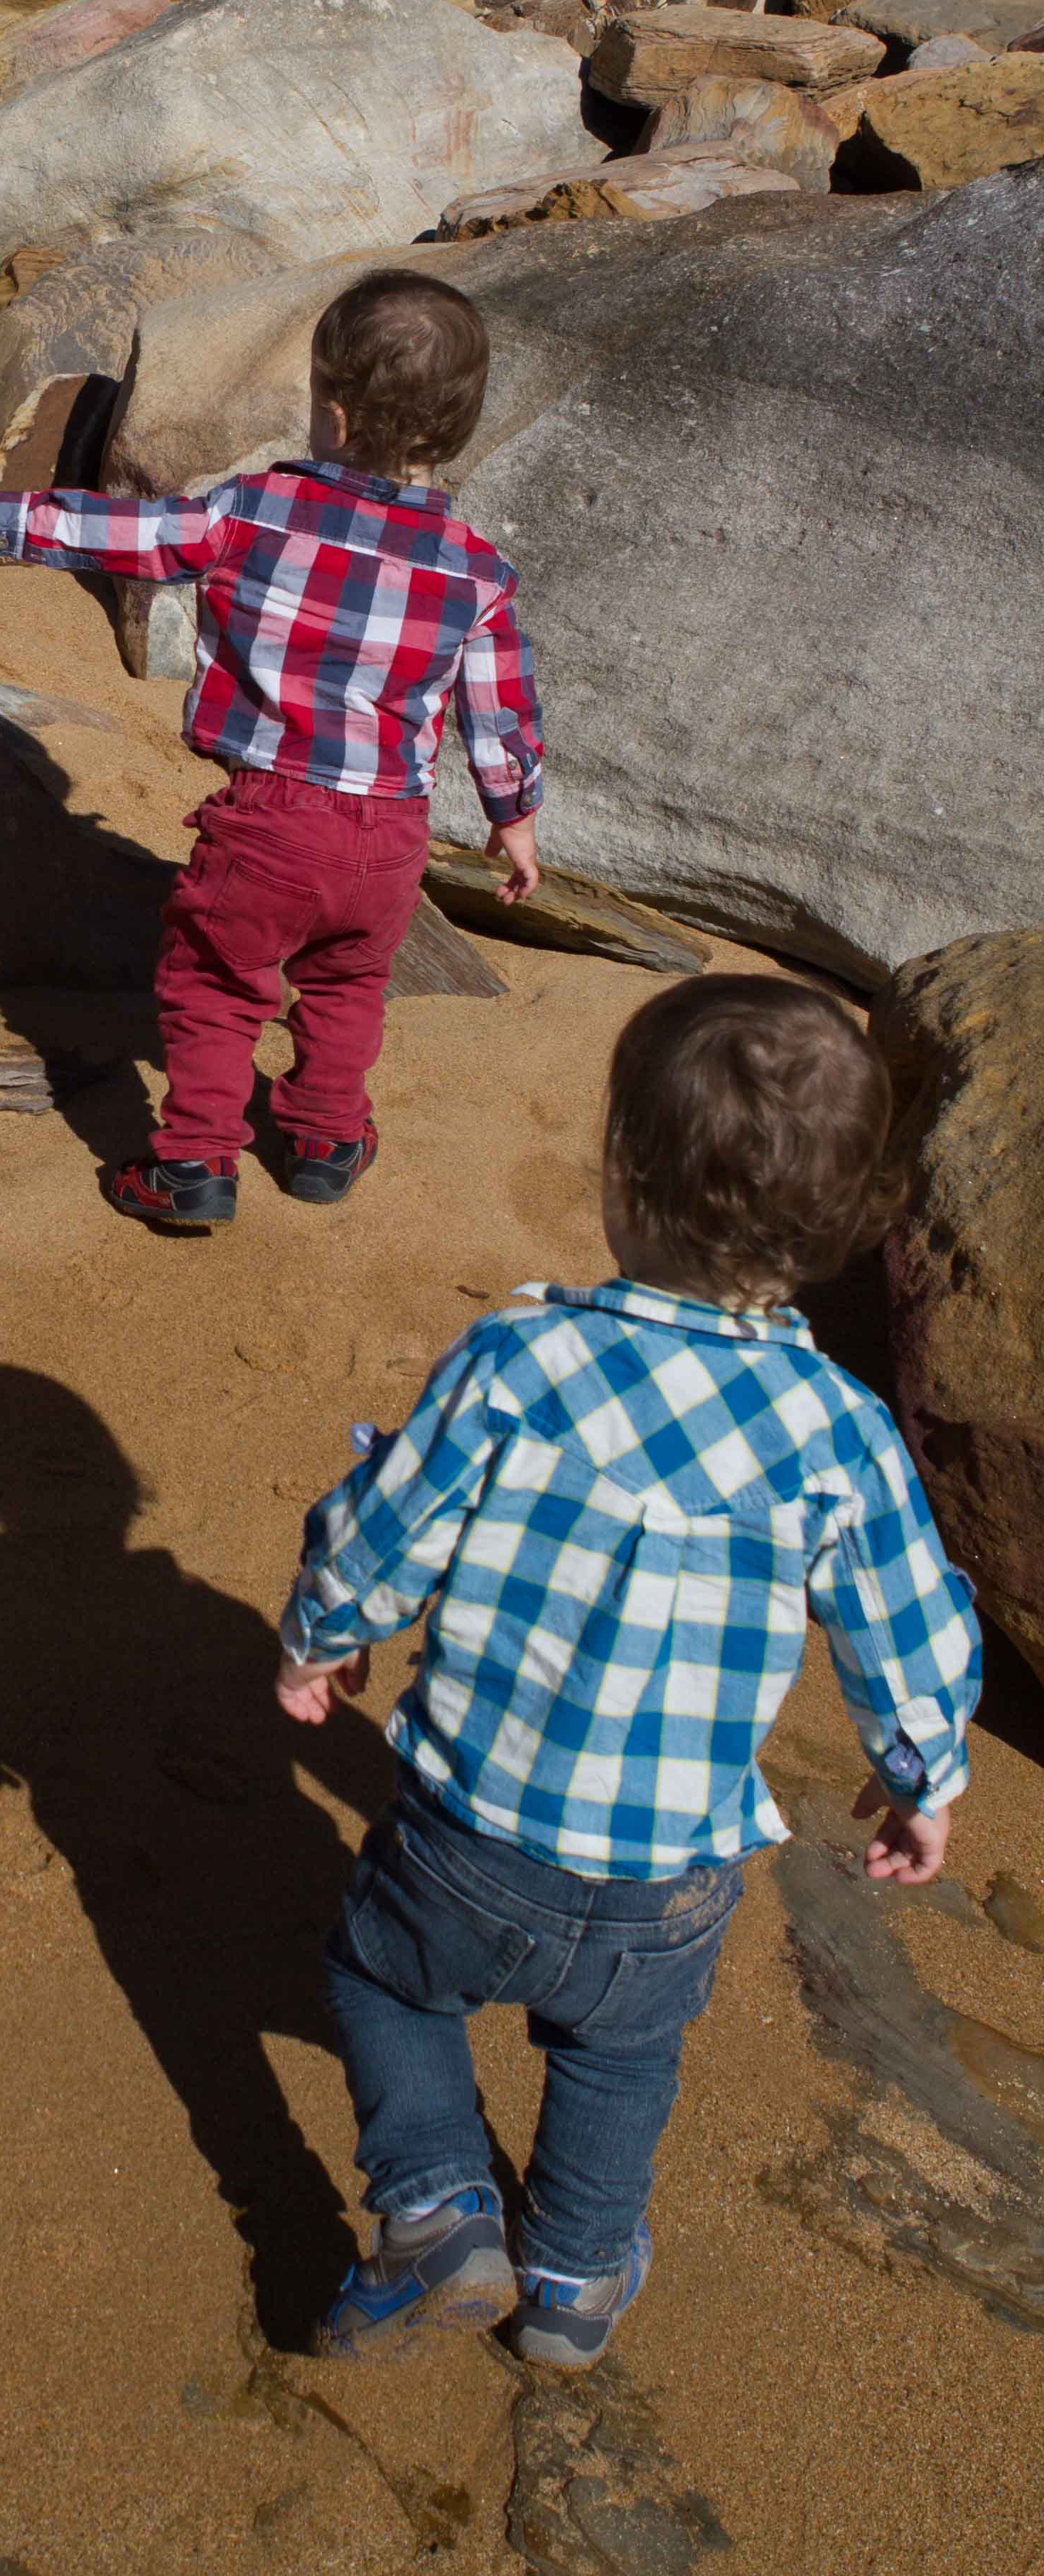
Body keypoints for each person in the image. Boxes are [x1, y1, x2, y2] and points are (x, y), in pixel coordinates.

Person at [276, 975, 981, 2370]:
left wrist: (325, 1631)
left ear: (622, 1181)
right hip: (669, 1873)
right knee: (621, 2055)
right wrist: (923, 1774)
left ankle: (436, 2204)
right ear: (839, 1227)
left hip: (473, 1830)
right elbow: (908, 1622)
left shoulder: (522, 1357)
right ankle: (574, 2280)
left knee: (381, 1976)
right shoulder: (839, 1433)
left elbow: (389, 1525)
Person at [0, 270, 542, 1232]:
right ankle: (326, 1143)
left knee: (215, 986)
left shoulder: (257, 513)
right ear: (455, 431)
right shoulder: (476, 571)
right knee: (348, 985)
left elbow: (137, 536)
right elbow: (499, 710)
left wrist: (0, 515)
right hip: (392, 836)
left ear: (332, 414)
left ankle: (195, 1162)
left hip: (270, 819)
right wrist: (516, 818)